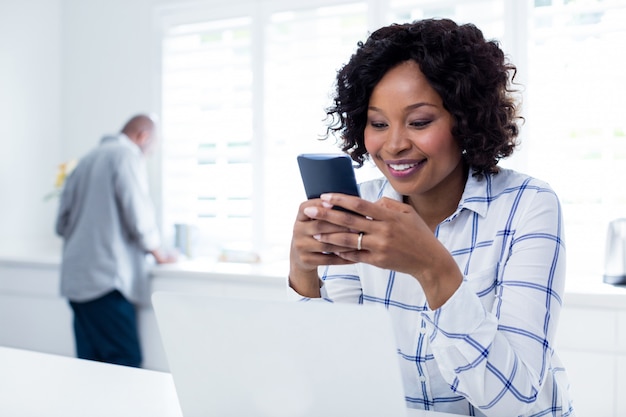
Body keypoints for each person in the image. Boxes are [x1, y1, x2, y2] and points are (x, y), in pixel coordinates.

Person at [288, 19, 575, 416]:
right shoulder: (361, 207)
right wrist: (303, 275)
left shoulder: (528, 204)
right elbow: (335, 375)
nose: (394, 144)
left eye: (419, 122)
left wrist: (432, 268)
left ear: (466, 117)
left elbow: (516, 400)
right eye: (378, 123)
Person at [55, 114, 176, 368]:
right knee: (125, 365)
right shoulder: (126, 156)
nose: (148, 155)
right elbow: (139, 216)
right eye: (151, 150)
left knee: (89, 368)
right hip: (106, 282)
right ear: (142, 137)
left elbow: (61, 224)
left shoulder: (85, 160)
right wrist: (159, 253)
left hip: (76, 280)